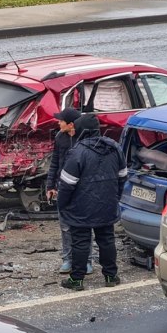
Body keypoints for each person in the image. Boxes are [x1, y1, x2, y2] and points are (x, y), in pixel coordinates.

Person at [56, 113, 127, 291]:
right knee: (106, 239)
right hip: (107, 204)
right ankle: (111, 276)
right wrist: (115, 197)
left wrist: (62, 205)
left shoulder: (78, 151)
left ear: (81, 130)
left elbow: (67, 184)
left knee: (80, 241)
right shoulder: (114, 147)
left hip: (81, 206)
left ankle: (77, 280)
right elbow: (123, 176)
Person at [46, 107, 93, 276]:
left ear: (71, 124)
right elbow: (55, 163)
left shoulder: (86, 139)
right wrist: (50, 186)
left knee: (84, 226)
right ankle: (67, 259)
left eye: (61, 120)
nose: (58, 123)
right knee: (65, 226)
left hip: (83, 189)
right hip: (63, 188)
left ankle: (87, 260)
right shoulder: (60, 137)